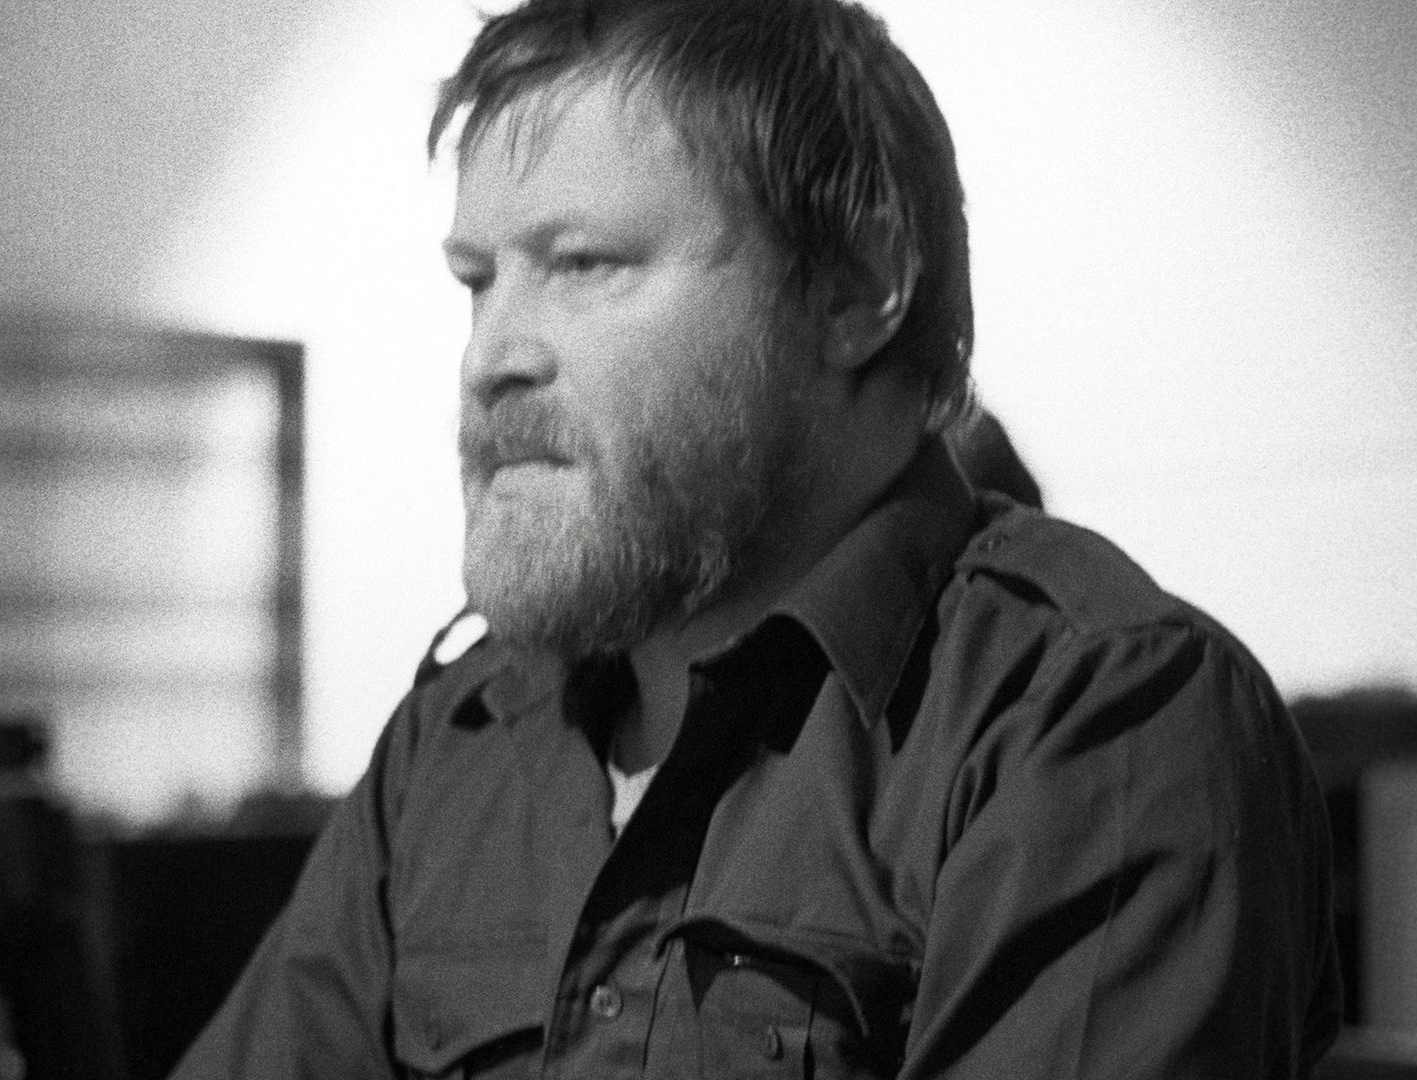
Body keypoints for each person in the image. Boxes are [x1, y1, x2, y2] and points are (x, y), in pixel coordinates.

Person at [173, 0, 1341, 1075]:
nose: (493, 358)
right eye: (480, 281)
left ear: (855, 288)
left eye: (585, 265)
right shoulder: (460, 745)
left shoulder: (1093, 725)